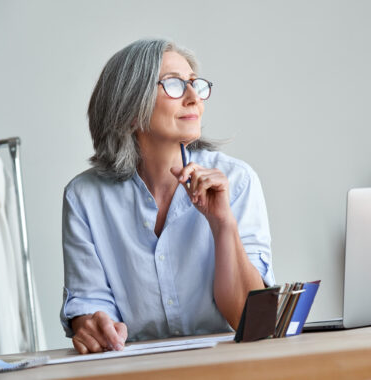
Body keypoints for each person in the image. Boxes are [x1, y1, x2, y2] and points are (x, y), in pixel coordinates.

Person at [60, 39, 275, 354]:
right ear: (131, 109)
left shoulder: (237, 181)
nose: (193, 98)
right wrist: (93, 326)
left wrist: (222, 222)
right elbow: (90, 307)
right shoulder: (85, 198)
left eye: (194, 84)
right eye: (174, 85)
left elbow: (250, 319)